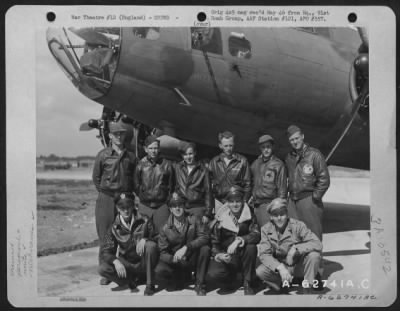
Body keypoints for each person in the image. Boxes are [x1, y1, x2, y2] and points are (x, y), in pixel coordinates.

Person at [92, 120, 137, 285]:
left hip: (124, 199)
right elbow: (96, 179)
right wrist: (107, 194)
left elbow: (136, 179)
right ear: (110, 136)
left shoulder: (131, 157)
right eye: (116, 134)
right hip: (106, 198)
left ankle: (127, 268)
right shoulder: (103, 155)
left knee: (125, 233)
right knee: (105, 235)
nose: (119, 137)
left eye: (121, 134)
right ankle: (106, 270)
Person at [285, 125, 330, 276]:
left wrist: (315, 197)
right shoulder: (289, 157)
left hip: (308, 200)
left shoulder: (314, 155)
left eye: (297, 138)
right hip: (293, 201)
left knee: (314, 236)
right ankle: (300, 273)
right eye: (292, 139)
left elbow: (324, 179)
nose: (295, 141)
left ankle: (317, 274)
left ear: (302, 137)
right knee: (296, 237)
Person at [256, 198, 322, 294]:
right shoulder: (265, 229)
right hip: (282, 266)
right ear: (271, 217)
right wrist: (280, 267)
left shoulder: (298, 225)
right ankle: (282, 284)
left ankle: (307, 289)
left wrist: (296, 249)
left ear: (287, 214)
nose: (279, 218)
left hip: (297, 265)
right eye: (275, 215)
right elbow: (264, 255)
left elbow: (317, 244)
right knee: (260, 271)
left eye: (282, 214)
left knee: (314, 256)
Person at [98, 192, 159, 296]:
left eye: (128, 207)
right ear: (117, 208)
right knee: (103, 268)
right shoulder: (113, 227)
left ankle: (149, 283)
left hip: (143, 263)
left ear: (133, 206)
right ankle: (129, 280)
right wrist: (115, 261)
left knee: (150, 246)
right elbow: (106, 251)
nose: (126, 210)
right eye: (122, 207)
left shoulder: (144, 220)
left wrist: (146, 238)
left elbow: (158, 238)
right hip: (127, 265)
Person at [206, 186, 260, 295]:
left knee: (251, 247)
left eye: (238, 201)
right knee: (213, 273)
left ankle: (247, 282)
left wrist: (239, 240)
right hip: (229, 258)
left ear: (243, 201)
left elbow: (256, 234)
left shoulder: (249, 215)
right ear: (227, 203)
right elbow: (214, 243)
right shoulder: (220, 218)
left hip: (244, 256)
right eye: (231, 202)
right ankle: (230, 280)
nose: (235, 205)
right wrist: (219, 255)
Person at [155, 193, 211, 296]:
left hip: (192, 258)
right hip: (177, 261)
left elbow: (205, 237)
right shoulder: (165, 227)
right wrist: (173, 259)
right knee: (159, 270)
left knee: (205, 248)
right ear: (170, 209)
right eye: (174, 206)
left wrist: (187, 247)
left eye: (180, 205)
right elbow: (162, 252)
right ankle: (182, 277)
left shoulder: (194, 219)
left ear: (184, 206)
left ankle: (200, 283)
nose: (177, 208)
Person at [134, 135, 175, 234]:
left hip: (162, 206)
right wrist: (143, 195)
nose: (153, 151)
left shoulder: (167, 165)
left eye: (156, 148)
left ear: (159, 149)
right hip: (145, 206)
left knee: (163, 235)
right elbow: (136, 185)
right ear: (145, 149)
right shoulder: (140, 165)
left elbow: (172, 186)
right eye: (151, 148)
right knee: (143, 234)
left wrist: (166, 200)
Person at [250, 134, 287, 227]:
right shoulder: (255, 164)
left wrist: (279, 209)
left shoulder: (278, 165)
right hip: (256, 206)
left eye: (268, 147)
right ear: (260, 148)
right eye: (263, 147)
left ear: (272, 147)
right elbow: (250, 183)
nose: (266, 149)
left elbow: (282, 189)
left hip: (269, 205)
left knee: (270, 234)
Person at [174, 142, 213, 224]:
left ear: (195, 153)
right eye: (185, 154)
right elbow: (175, 186)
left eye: (190, 154)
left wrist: (207, 214)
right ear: (182, 156)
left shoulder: (203, 170)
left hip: (197, 208)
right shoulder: (178, 167)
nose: (188, 157)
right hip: (182, 208)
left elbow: (208, 192)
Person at [209, 131, 252, 206]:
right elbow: (209, 185)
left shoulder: (242, 161)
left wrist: (244, 202)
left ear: (234, 144)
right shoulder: (214, 162)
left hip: (236, 202)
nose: (229, 148)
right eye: (226, 146)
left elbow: (247, 185)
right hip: (219, 202)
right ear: (220, 145)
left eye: (230, 145)